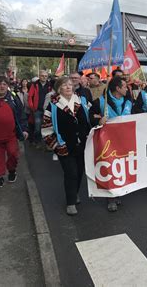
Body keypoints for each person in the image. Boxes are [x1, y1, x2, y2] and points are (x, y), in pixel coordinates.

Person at [42, 77, 91, 216]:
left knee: (80, 171)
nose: (69, 87)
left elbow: (90, 118)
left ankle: (74, 193)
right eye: (65, 85)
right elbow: (46, 128)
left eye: (70, 84)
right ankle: (70, 202)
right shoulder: (53, 106)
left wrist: (100, 119)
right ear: (59, 89)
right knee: (71, 173)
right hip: (64, 146)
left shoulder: (81, 101)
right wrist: (56, 146)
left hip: (82, 145)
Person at [89, 76, 133, 211]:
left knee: (122, 168)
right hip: (107, 143)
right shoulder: (100, 102)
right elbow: (90, 117)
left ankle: (118, 191)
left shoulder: (128, 101)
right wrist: (98, 121)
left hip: (125, 140)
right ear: (118, 88)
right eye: (125, 86)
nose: (127, 88)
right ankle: (111, 198)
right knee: (110, 168)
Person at [28, 70, 51, 145]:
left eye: (45, 76)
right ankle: (37, 141)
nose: (44, 77)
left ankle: (45, 143)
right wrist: (32, 107)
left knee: (46, 127)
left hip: (47, 109)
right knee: (37, 127)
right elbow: (30, 96)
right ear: (39, 76)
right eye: (42, 76)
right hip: (37, 109)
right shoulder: (34, 85)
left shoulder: (49, 85)